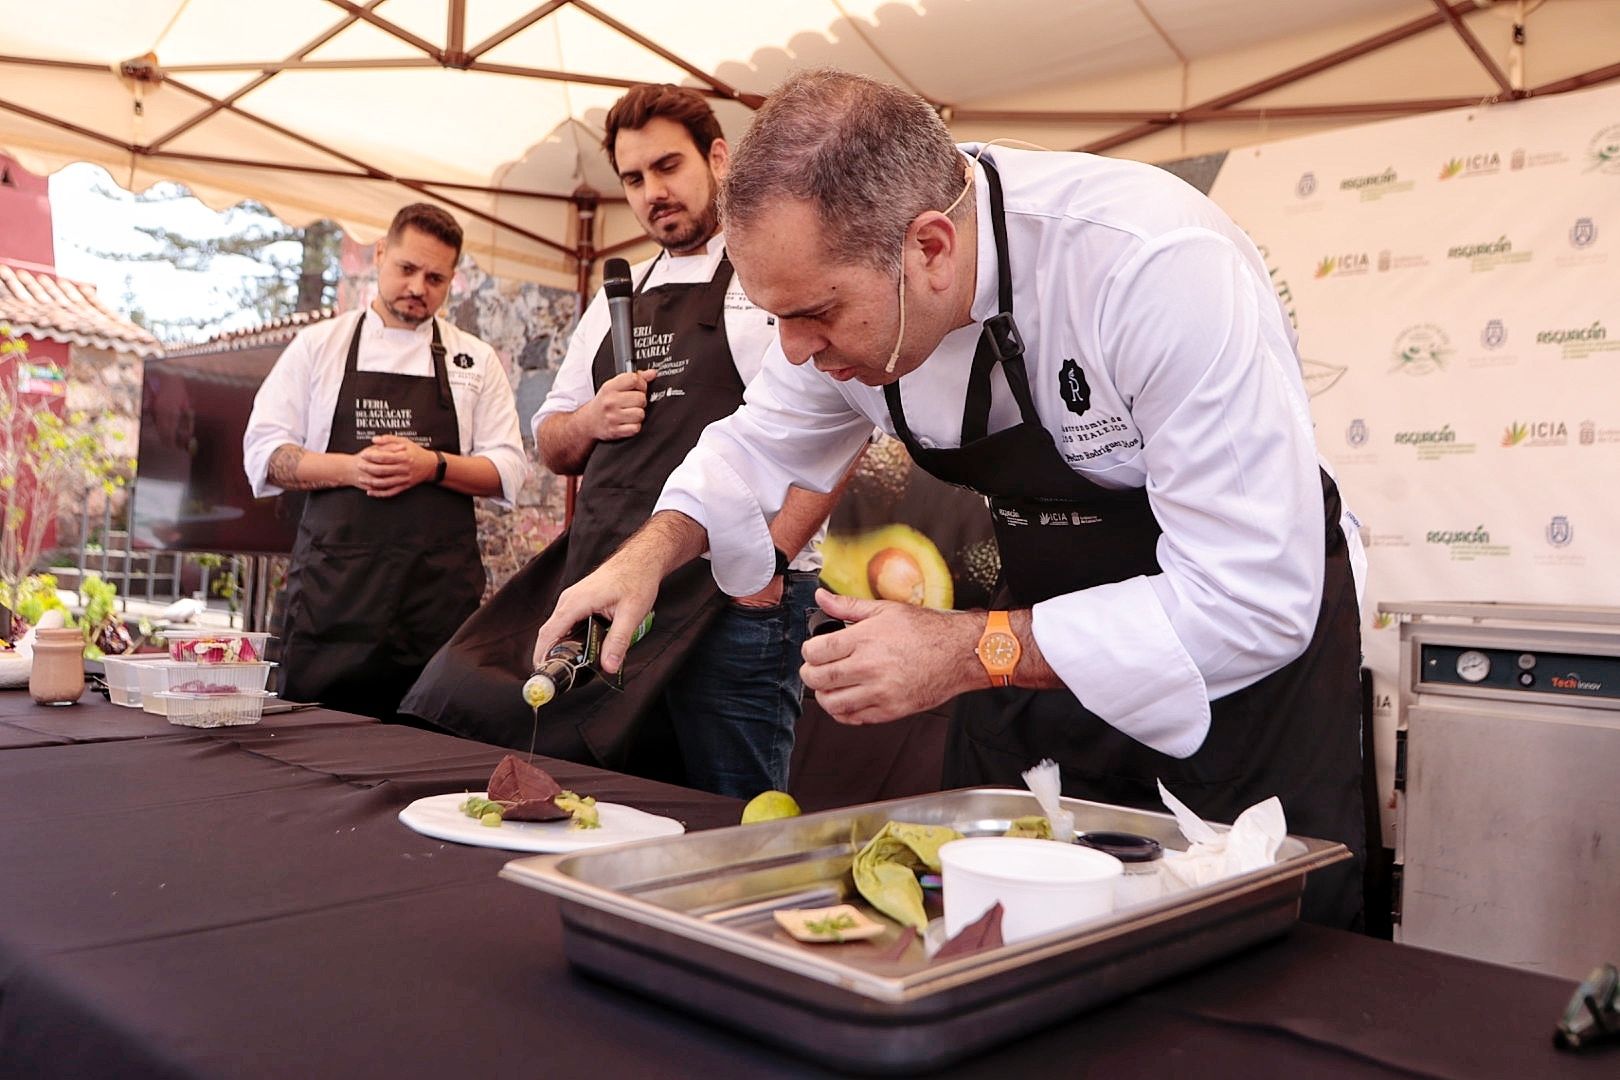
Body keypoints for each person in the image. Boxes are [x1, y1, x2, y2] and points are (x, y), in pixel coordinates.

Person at [535, 70, 1368, 926]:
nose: (791, 351)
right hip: (1037, 624)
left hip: (1238, 675)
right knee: (1002, 923)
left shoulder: (1151, 264)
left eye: (816, 314)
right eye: (776, 316)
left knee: (1249, 951)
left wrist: (969, 652)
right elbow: (758, 445)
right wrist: (647, 554)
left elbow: (1252, 596)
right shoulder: (848, 308)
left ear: (931, 248)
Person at [401, 84, 846, 799]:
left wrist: (772, 565)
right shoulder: (618, 295)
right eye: (634, 179)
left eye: (668, 167)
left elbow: (832, 428)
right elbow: (552, 442)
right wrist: (589, 420)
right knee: (601, 789)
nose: (652, 193)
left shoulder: (769, 278)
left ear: (721, 158)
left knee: (723, 804)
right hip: (615, 583)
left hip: (731, 598)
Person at [243, 203, 527, 721]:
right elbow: (267, 454)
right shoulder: (319, 346)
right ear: (380, 255)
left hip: (434, 604)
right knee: (313, 745)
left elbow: (507, 469)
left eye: (436, 277)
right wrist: (351, 469)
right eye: (407, 269)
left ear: (452, 280)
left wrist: (432, 465)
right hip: (334, 602)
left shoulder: (474, 360)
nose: (419, 287)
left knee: (429, 748)